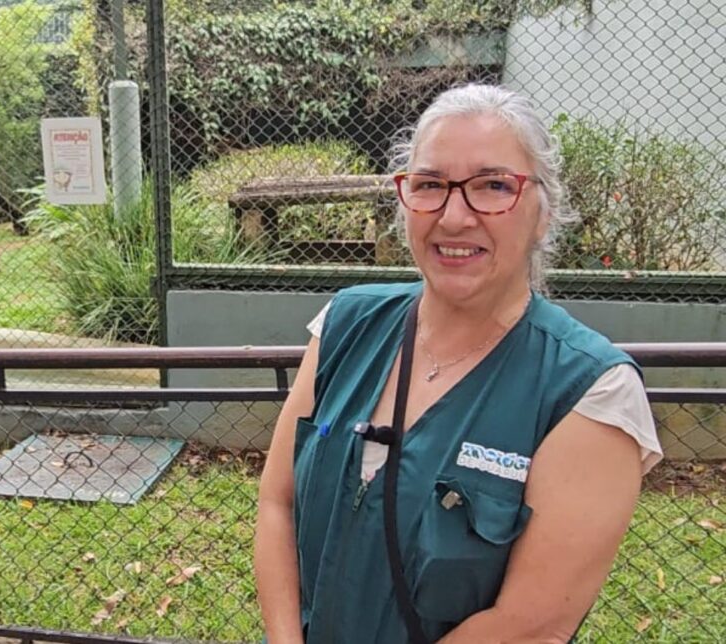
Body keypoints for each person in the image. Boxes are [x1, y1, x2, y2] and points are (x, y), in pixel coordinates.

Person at [253, 84, 662, 643]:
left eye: (493, 186)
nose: (454, 216)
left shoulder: (588, 393)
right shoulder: (345, 326)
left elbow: (530, 625)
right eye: (430, 186)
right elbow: (278, 503)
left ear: (543, 212)